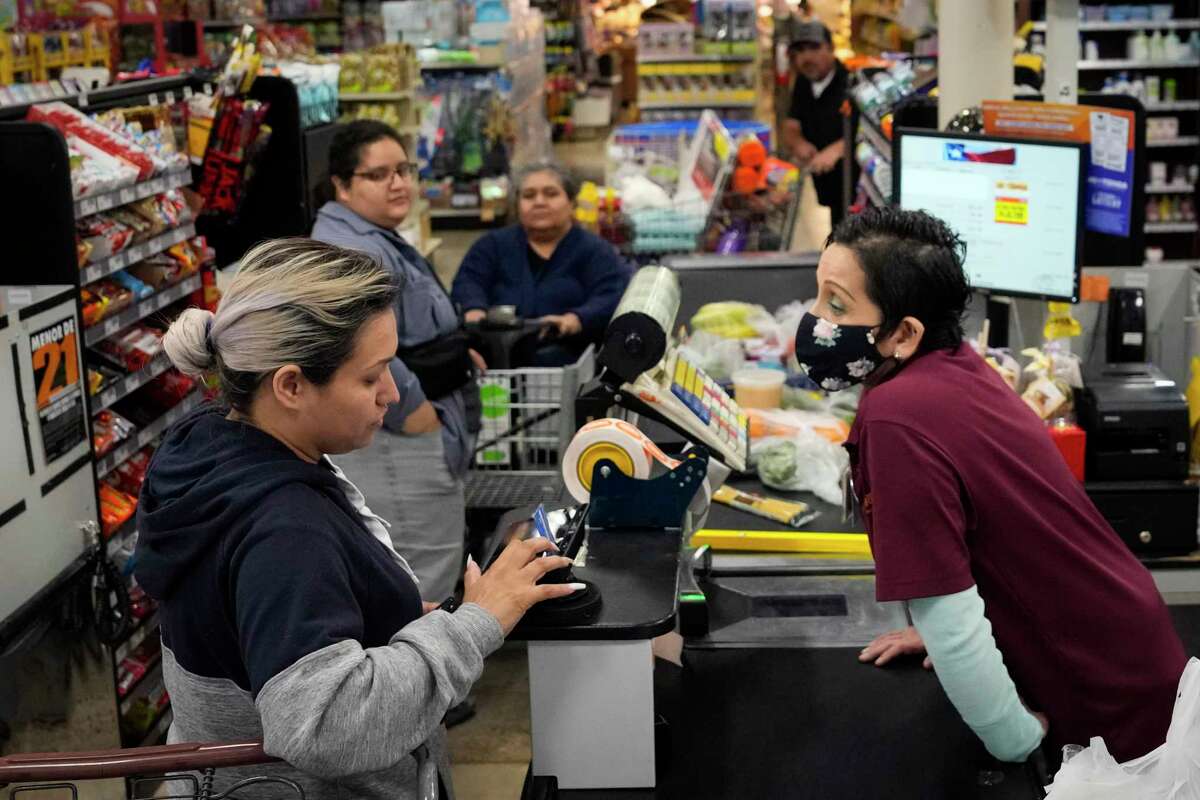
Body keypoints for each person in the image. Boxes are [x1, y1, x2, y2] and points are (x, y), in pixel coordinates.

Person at [134, 238, 582, 799]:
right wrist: (472, 626)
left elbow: (263, 626)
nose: (391, 394)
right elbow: (321, 726)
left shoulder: (214, 445)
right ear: (291, 385)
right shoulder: (282, 527)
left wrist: (397, 615)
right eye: (370, 378)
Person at [792, 207, 1186, 765]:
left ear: (904, 333)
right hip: (1128, 641)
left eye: (836, 304)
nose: (815, 319)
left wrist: (1015, 738)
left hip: (1105, 694)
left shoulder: (896, 417)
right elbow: (991, 539)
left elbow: (948, 613)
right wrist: (960, 632)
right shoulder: (949, 365)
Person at [311, 120, 481, 607]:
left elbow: (405, 321)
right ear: (343, 185)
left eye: (404, 169)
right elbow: (356, 345)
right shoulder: (353, 248)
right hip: (399, 443)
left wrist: (455, 351)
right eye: (379, 174)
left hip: (418, 427)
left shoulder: (372, 233)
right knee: (420, 580)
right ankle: (429, 682)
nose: (398, 183)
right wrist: (412, 410)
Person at [450, 161, 632, 367]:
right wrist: (474, 310)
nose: (539, 202)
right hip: (498, 369)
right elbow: (468, 282)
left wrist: (577, 318)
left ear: (571, 202)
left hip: (569, 369)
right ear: (517, 205)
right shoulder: (491, 246)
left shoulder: (596, 251)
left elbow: (612, 294)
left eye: (551, 194)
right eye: (529, 195)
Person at [783, 19, 857, 228]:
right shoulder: (803, 82)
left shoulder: (851, 84)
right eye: (801, 50)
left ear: (831, 49)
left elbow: (864, 132)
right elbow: (791, 123)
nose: (807, 57)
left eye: (814, 48)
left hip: (851, 185)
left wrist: (837, 149)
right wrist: (798, 143)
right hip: (825, 181)